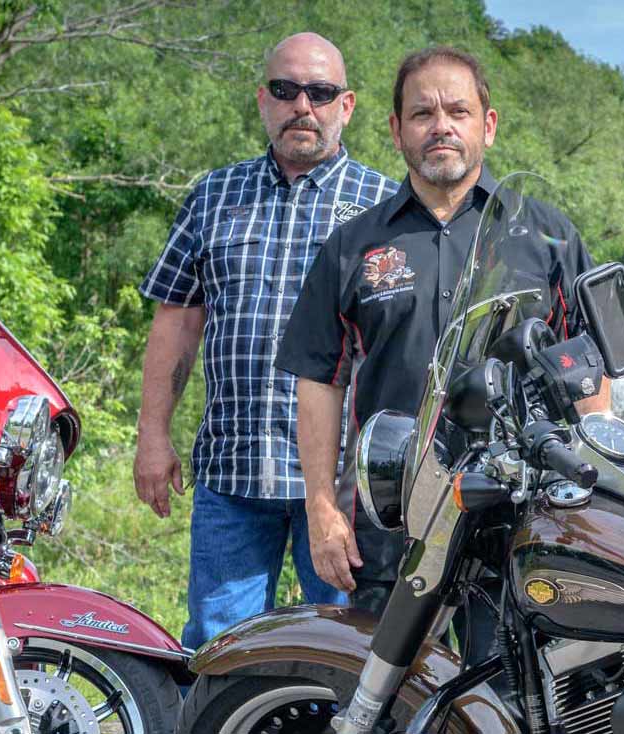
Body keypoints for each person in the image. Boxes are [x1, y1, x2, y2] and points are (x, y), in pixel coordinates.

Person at [276, 45, 608, 615]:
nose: (441, 128)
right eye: (423, 114)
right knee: (385, 698)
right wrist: (322, 509)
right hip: (392, 527)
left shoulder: (548, 236)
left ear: (489, 125)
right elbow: (319, 382)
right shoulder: (353, 246)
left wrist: (594, 496)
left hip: (522, 523)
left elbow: (591, 376)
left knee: (511, 701)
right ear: (396, 129)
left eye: (458, 111)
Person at [134, 32, 399, 651]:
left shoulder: (386, 208)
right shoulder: (213, 196)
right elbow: (177, 321)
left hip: (341, 489)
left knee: (347, 656)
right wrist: (152, 436)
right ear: (262, 100)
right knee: (218, 650)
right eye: (285, 90)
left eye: (320, 92)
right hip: (233, 472)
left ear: (347, 105)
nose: (301, 106)